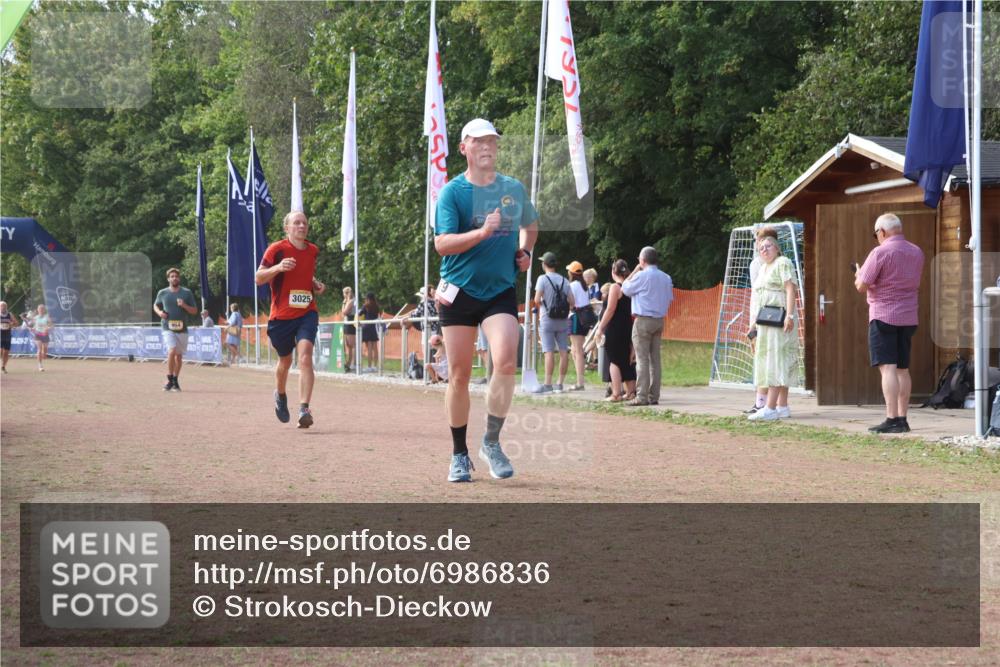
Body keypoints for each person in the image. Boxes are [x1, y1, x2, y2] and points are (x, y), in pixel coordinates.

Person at [435, 117, 538, 483]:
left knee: (507, 361)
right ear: (463, 148)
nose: (486, 147)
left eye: (491, 141)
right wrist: (482, 232)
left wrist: (525, 251)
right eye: (478, 142)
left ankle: (491, 442)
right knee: (460, 376)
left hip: (499, 290)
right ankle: (459, 454)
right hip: (459, 292)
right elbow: (442, 244)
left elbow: (531, 224)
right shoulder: (453, 193)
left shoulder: (513, 189)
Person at [855, 213, 925, 433]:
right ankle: (903, 418)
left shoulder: (880, 252)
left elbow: (862, 285)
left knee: (888, 369)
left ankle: (891, 418)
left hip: (883, 315)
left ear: (882, 232)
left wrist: (857, 274)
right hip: (908, 316)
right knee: (903, 369)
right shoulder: (916, 252)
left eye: (876, 233)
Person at [255, 211, 326, 428]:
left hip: (307, 312)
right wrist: (278, 267)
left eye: (304, 223)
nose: (301, 226)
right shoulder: (276, 250)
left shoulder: (313, 250)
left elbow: (304, 274)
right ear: (287, 228)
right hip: (281, 317)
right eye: (296, 223)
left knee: (305, 357)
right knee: (285, 361)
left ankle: (304, 408)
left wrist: (315, 284)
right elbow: (258, 278)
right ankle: (281, 394)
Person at [746, 227, 798, 421]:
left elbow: (790, 289)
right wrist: (753, 323)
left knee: (777, 360)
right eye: (761, 248)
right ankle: (782, 406)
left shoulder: (783, 262)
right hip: (765, 320)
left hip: (780, 318)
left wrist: (790, 316)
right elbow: (758, 298)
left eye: (768, 246)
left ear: (777, 248)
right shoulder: (763, 267)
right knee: (773, 360)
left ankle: (770, 407)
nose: (764, 250)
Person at [621, 246, 673, 406]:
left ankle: (641, 396)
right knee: (655, 360)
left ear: (642, 261)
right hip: (659, 320)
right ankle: (654, 396)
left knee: (642, 359)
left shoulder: (641, 276)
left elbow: (625, 288)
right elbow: (670, 298)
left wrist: (636, 270)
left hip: (643, 320)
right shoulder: (666, 277)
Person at [596, 260, 637, 402]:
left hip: (615, 328)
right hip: (627, 327)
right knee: (626, 359)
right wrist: (637, 267)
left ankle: (616, 393)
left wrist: (600, 328)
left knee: (613, 360)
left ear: (613, 272)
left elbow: (610, 309)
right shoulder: (629, 287)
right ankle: (631, 392)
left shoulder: (615, 287)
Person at [533, 251, 572, 394]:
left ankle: (548, 384)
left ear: (544, 264)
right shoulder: (564, 280)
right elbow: (572, 301)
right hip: (562, 320)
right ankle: (560, 383)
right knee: (563, 352)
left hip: (547, 319)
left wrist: (545, 302)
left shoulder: (542, 279)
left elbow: (537, 300)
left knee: (548, 351)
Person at [153, 268, 198, 390]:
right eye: (172, 276)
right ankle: (169, 378)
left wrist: (184, 305)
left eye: (176, 276)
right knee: (172, 350)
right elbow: (155, 305)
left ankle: (175, 379)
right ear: (168, 279)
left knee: (179, 356)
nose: (174, 278)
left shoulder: (186, 293)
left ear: (179, 278)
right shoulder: (162, 293)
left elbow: (194, 311)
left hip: (182, 328)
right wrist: (160, 313)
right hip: (167, 327)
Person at [745, 241, 769, 415]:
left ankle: (763, 403)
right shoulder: (759, 265)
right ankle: (762, 402)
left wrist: (754, 322)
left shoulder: (760, 266)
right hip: (759, 319)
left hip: (765, 320)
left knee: (764, 362)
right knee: (761, 361)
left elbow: (759, 295)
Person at [566, 260, 592, 391]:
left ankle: (580, 382)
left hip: (576, 317)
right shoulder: (584, 286)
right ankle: (579, 380)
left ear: (571, 273)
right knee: (576, 350)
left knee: (577, 350)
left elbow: (570, 302)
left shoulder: (573, 285)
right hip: (585, 318)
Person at [359, 292, 380, 372]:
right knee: (375, 348)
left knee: (369, 348)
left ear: (367, 298)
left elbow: (360, 314)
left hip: (366, 327)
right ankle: (375, 366)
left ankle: (369, 366)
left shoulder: (366, 306)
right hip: (373, 327)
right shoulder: (377, 306)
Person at [1, 301, 20, 374]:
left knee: (6, 352)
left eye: (4, 306)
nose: (3, 307)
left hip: (7, 334)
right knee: (0, 351)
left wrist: (12, 324)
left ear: (6, 307)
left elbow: (17, 323)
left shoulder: (9, 314)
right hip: (0, 334)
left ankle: (3, 366)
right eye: (2, 306)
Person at [341, 286, 357, 372]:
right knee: (348, 345)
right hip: (347, 323)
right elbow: (342, 314)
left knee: (352, 345)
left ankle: (354, 363)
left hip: (351, 323)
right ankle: (349, 362)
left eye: (344, 293)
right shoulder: (348, 301)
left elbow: (344, 312)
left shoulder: (351, 301)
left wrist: (343, 304)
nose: (343, 295)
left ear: (346, 293)